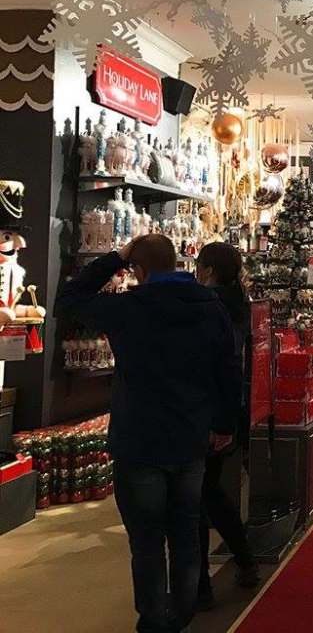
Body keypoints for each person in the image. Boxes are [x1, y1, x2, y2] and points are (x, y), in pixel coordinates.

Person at [54, 235, 242, 633]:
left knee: (146, 539)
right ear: (178, 263)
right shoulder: (211, 307)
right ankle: (183, 616)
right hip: (190, 437)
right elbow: (228, 371)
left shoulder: (127, 308)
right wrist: (225, 425)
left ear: (137, 271)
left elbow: (70, 298)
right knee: (186, 532)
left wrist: (115, 257)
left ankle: (155, 621)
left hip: (139, 439)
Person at [193, 242, 260, 610]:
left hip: (205, 411)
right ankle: (245, 559)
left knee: (197, 498)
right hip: (227, 410)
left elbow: (218, 362)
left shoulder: (208, 304)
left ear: (208, 268)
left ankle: (200, 585)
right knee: (209, 490)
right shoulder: (240, 303)